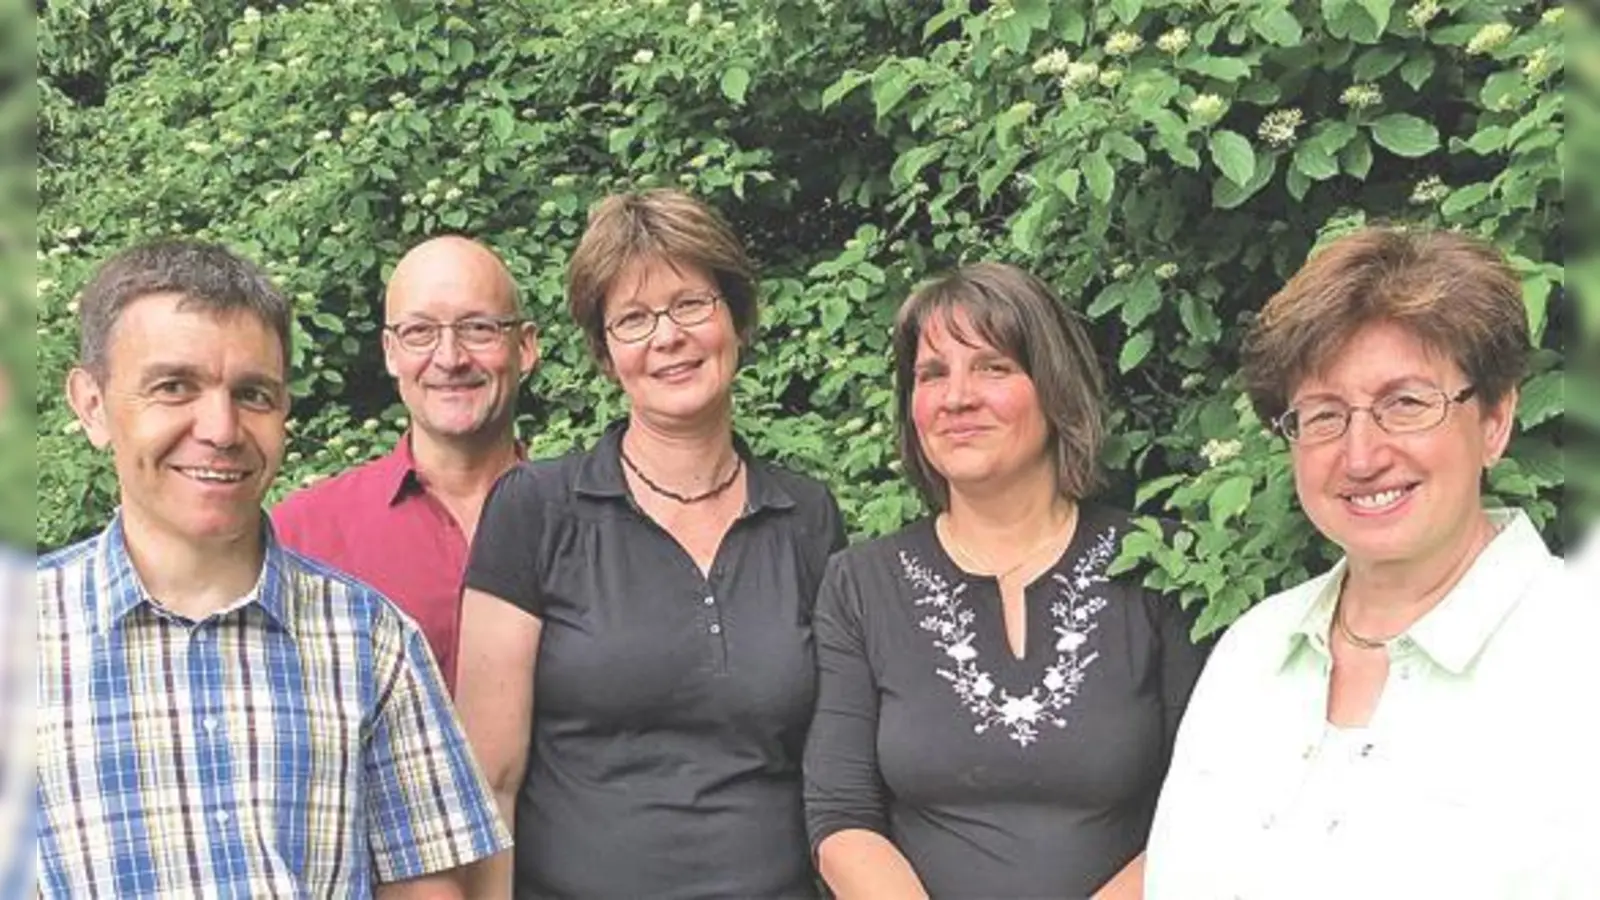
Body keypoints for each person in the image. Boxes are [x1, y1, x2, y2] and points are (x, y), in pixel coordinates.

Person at [36, 240, 510, 898]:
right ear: (91, 403)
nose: (222, 428)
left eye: (253, 394)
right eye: (174, 387)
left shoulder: (371, 641)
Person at [1145, 228, 1596, 897]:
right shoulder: (1253, 650)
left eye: (1406, 404)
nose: (1361, 456)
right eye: (1324, 416)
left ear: (1496, 420)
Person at [455, 189, 847, 899]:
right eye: (633, 319)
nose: (668, 336)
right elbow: (490, 778)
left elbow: (836, 770)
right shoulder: (535, 510)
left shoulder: (807, 517)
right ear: (606, 355)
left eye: (692, 304)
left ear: (735, 318)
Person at [802, 262, 1209, 899]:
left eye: (993, 367)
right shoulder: (861, 584)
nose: (957, 397)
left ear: (1054, 386)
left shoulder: (1158, 563)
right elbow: (841, 814)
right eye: (932, 374)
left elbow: (1210, 805)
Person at [273, 236, 537, 691]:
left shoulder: (590, 524)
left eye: (478, 328)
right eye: (420, 332)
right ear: (391, 351)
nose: (450, 358)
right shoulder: (302, 535)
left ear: (526, 347)